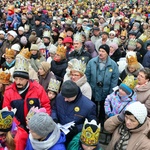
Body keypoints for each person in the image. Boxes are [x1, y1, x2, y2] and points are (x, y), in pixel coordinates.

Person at [3, 57, 51, 129]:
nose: (18, 82)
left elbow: (46, 106)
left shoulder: (37, 89)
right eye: (16, 79)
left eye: (21, 79)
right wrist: (16, 124)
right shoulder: (9, 91)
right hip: (17, 128)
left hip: (36, 126)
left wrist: (40, 122)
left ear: (27, 79)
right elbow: (6, 111)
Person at [51, 80, 97, 144]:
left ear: (75, 94)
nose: (65, 99)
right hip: (58, 132)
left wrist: (77, 129)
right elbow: (54, 109)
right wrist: (54, 118)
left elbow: (91, 124)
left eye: (68, 98)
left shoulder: (89, 106)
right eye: (64, 97)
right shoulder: (59, 97)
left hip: (74, 138)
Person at [86, 44, 119, 125]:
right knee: (93, 106)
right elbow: (87, 76)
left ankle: (102, 121)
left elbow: (114, 80)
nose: (100, 53)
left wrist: (111, 92)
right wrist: (89, 88)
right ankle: (93, 121)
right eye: (99, 51)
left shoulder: (113, 65)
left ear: (107, 53)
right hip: (93, 89)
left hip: (106, 91)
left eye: (103, 51)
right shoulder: (91, 62)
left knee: (103, 107)